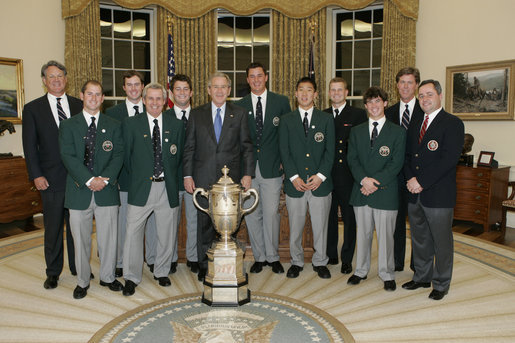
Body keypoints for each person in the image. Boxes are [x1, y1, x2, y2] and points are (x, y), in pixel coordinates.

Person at [183, 72, 254, 282]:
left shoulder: (239, 113)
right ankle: (205, 267)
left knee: (229, 224)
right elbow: (189, 148)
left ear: (229, 91)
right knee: (204, 223)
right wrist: (187, 175)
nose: (220, 90)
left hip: (230, 181)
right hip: (203, 177)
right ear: (208, 90)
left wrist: (248, 173)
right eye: (215, 87)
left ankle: (229, 264)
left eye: (224, 87)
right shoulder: (196, 114)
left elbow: (247, 147)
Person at [59, 80, 124, 299]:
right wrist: (88, 180)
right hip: (79, 191)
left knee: (109, 238)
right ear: (82, 96)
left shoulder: (114, 125)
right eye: (90, 94)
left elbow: (118, 155)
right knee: (80, 240)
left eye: (98, 94)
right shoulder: (68, 125)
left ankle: (108, 277)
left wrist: (103, 180)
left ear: (102, 98)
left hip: (106, 190)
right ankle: (82, 281)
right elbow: (68, 156)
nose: (94, 98)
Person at [22, 60, 82, 290]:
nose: (56, 80)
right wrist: (36, 175)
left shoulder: (79, 105)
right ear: (44, 81)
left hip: (78, 179)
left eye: (60, 76)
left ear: (66, 79)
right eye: (51, 77)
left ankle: (78, 268)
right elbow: (30, 146)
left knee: (78, 227)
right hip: (50, 179)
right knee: (54, 228)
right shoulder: (33, 109)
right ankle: (53, 272)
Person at [402, 79, 464, 301]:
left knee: (441, 240)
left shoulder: (453, 124)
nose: (424, 99)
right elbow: (407, 156)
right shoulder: (415, 123)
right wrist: (410, 178)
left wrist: (421, 181)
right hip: (414, 192)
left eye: (429, 94)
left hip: (438, 194)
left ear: (439, 96)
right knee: (420, 238)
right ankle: (421, 276)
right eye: (421, 96)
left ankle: (441, 283)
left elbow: (448, 159)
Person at [122, 83, 184, 296]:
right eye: (151, 98)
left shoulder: (175, 124)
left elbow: (180, 157)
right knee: (132, 233)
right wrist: (141, 177)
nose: (155, 103)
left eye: (159, 99)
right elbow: (127, 159)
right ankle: (131, 277)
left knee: (167, 233)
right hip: (141, 187)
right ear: (144, 99)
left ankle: (162, 271)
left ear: (165, 101)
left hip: (167, 187)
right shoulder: (131, 124)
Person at [346, 86, 406, 291]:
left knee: (386, 236)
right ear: (365, 106)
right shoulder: (356, 131)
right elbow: (352, 159)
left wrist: (374, 183)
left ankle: (386, 273)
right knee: (362, 234)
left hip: (385, 192)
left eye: (378, 101)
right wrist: (364, 180)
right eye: (370, 102)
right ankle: (360, 270)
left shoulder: (397, 132)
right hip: (361, 191)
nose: (374, 106)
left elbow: (396, 164)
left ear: (385, 103)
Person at [235, 62, 291, 274]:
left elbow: (287, 135)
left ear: (266, 77)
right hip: (247, 172)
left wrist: (284, 163)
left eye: (260, 75)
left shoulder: (281, 102)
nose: (256, 79)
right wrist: (242, 171)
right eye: (252, 76)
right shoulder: (240, 105)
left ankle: (273, 256)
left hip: (272, 168)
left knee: (270, 214)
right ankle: (259, 257)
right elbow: (238, 141)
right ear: (248, 80)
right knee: (251, 214)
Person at [279, 77, 334, 279]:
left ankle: (320, 262)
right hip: (296, 184)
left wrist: (320, 176)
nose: (304, 94)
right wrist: (293, 177)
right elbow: (284, 151)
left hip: (320, 184)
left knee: (321, 226)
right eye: (300, 90)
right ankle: (296, 261)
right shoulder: (286, 120)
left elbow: (331, 151)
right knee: (296, 226)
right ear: (295, 94)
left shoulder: (326, 119)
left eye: (309, 90)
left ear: (316, 94)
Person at [105, 70, 158, 278]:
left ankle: (152, 259)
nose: (134, 88)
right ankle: (120, 261)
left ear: (143, 87)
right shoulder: (113, 114)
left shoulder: (154, 111)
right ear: (124, 88)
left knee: (152, 223)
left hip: (151, 179)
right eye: (130, 84)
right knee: (124, 224)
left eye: (137, 84)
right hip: (125, 180)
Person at [324, 77, 367, 275]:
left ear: (347, 92)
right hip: (326, 174)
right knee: (329, 217)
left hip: (348, 175)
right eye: (332, 90)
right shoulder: (322, 115)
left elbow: (361, 146)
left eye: (339, 90)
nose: (336, 93)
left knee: (350, 219)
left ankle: (347, 258)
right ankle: (330, 253)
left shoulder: (358, 115)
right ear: (329, 93)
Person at [385, 67, 424, 272]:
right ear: (397, 85)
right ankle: (397, 263)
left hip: (416, 178)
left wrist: (416, 177)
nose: (405, 86)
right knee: (396, 224)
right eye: (402, 82)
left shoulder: (424, 110)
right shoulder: (388, 112)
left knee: (418, 225)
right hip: (394, 178)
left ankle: (418, 266)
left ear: (416, 85)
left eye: (410, 82)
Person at [167, 74, 198, 274]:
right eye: (178, 89)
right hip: (172, 179)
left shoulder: (201, 116)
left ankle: (193, 258)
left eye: (185, 89)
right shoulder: (163, 117)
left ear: (192, 93)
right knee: (170, 222)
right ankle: (169, 258)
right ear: (171, 93)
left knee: (195, 220)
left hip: (196, 178)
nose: (182, 93)